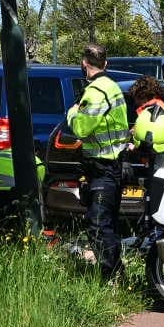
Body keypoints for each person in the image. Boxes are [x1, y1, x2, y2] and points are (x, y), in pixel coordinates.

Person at [67, 43, 129, 278]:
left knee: (99, 224)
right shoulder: (113, 87)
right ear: (106, 63)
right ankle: (117, 272)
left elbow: (81, 128)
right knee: (108, 223)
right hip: (113, 164)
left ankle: (111, 275)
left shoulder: (95, 92)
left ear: (84, 63)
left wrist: (72, 112)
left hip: (102, 166)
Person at [129, 76, 164, 171]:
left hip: (154, 161)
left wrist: (133, 144)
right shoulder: (160, 108)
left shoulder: (152, 113)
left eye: (136, 98)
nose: (135, 102)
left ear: (142, 96)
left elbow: (148, 140)